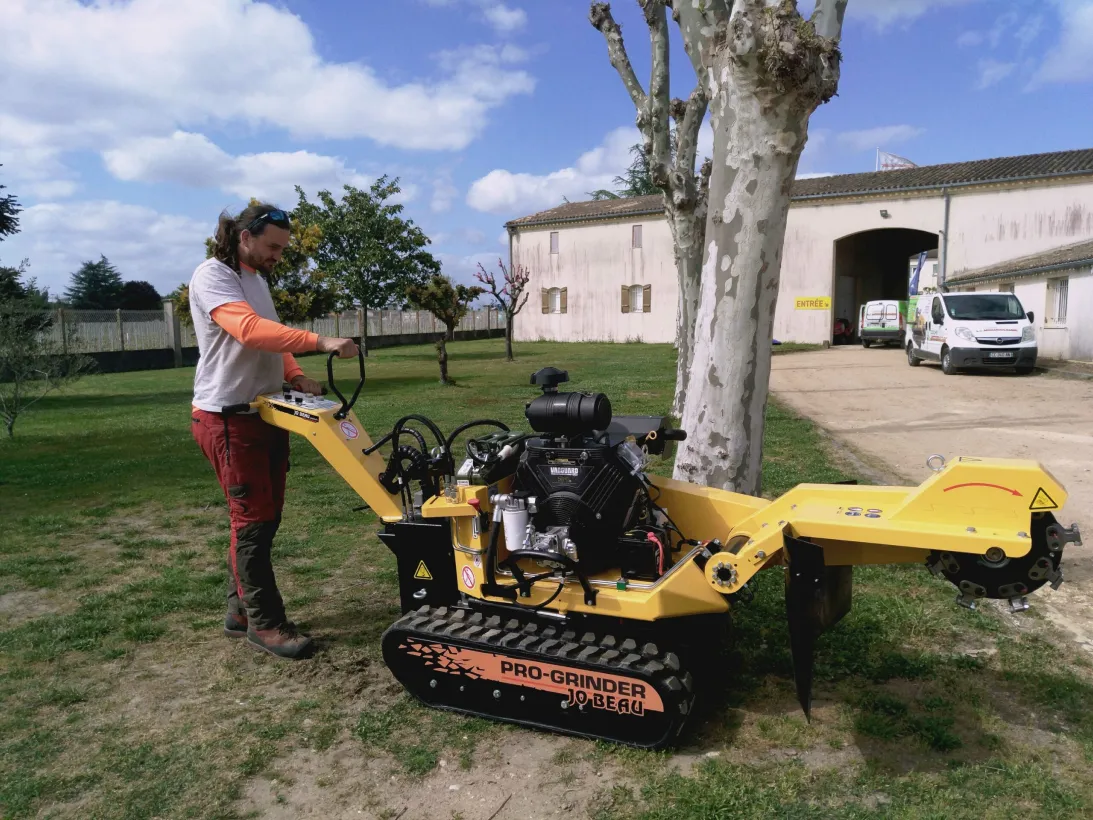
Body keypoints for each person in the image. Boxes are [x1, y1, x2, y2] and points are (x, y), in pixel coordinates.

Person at [188, 203, 358, 660]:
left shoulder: (257, 280)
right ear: (245, 237)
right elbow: (248, 331)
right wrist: (320, 341)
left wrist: (296, 372)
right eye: (273, 247)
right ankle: (265, 624)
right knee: (253, 522)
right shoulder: (213, 275)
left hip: (263, 413)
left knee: (260, 518)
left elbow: (272, 337)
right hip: (226, 417)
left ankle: (239, 610)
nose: (278, 256)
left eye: (282, 249)